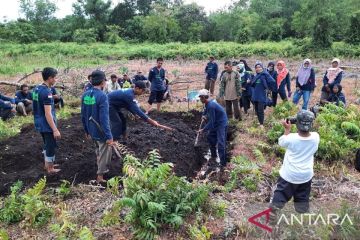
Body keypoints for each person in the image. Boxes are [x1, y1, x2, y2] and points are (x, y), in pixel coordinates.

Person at [270, 110, 319, 214]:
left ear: (297, 124)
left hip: (289, 174)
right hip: (306, 175)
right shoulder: (316, 137)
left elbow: (281, 142)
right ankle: (302, 215)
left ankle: (273, 212)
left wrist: (287, 129)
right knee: (302, 197)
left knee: (281, 194)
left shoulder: (291, 138)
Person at [81, 70, 114, 184]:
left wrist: (86, 130)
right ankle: (100, 177)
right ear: (102, 82)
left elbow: (83, 115)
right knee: (105, 151)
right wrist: (109, 136)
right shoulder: (102, 96)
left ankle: (99, 166)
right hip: (100, 130)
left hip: (91, 128)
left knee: (97, 150)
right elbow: (104, 119)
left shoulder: (85, 95)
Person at [32, 67, 61, 174]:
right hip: (46, 124)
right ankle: (50, 168)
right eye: (55, 78)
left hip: (38, 121)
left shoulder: (36, 89)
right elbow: (48, 113)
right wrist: (55, 129)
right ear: (50, 78)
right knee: (50, 145)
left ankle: (47, 164)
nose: (55, 80)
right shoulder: (47, 93)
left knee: (46, 143)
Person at [198, 89, 228, 169]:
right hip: (216, 122)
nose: (200, 99)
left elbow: (211, 122)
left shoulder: (211, 105)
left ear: (205, 97)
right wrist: (204, 116)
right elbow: (205, 111)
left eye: (201, 98)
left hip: (221, 123)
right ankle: (213, 155)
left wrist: (203, 130)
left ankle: (223, 163)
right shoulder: (207, 104)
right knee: (210, 137)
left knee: (221, 143)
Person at [251, 63, 274, 127]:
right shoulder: (256, 76)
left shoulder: (264, 75)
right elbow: (252, 85)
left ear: (262, 68)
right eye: (256, 67)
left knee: (260, 110)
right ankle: (260, 121)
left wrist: (268, 89)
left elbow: (272, 81)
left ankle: (261, 124)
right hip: (255, 95)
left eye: (259, 67)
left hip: (262, 95)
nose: (258, 68)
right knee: (257, 110)